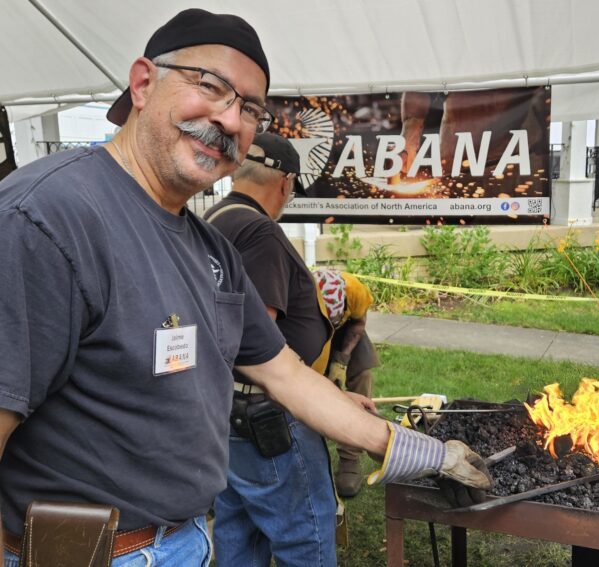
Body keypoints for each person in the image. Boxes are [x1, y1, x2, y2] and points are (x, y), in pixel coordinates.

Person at [0, 9, 491, 566]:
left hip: (183, 541)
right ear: (142, 83)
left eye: (250, 108)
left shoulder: (209, 248)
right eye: (209, 85)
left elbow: (284, 374)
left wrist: (417, 450)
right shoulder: (47, 216)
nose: (229, 120)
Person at [203, 133, 338, 566]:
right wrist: (316, 399)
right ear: (285, 182)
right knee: (307, 539)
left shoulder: (214, 219)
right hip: (271, 417)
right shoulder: (259, 231)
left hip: (230, 412)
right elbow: (254, 341)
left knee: (239, 533)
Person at [313, 269, 381, 498]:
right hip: (312, 332)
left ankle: (350, 459)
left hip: (347, 332)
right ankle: (309, 454)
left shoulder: (356, 291)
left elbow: (358, 325)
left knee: (362, 376)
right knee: (309, 386)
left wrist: (342, 361)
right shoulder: (303, 295)